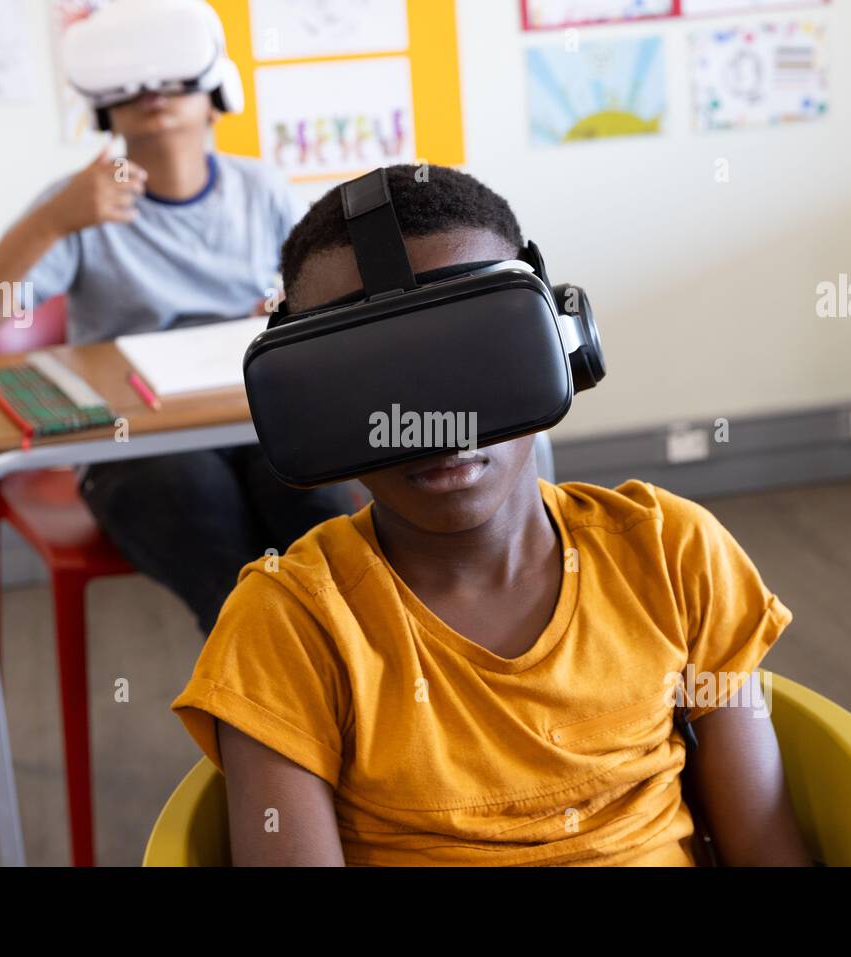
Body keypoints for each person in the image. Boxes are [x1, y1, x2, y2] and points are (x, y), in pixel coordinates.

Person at [172, 165, 812, 866]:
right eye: (372, 377)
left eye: (471, 352)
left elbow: (764, 847)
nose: (436, 422)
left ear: (561, 344)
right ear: (311, 404)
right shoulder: (287, 628)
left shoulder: (673, 553)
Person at [0, 0, 354, 636]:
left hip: (249, 415)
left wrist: (285, 306)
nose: (154, 91)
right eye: (132, 83)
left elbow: (323, 294)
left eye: (176, 77)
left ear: (216, 98)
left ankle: (341, 669)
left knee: (308, 491)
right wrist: (52, 222)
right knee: (192, 498)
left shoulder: (259, 189)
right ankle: (278, 678)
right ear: (104, 109)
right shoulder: (79, 207)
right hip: (134, 442)